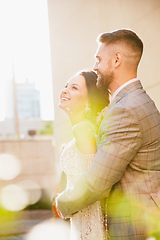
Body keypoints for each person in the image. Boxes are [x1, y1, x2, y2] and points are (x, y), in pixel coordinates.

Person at [56, 29, 160, 240]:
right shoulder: (133, 102)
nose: (95, 67)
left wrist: (60, 204)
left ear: (116, 60)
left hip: (134, 226)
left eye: (98, 59)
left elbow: (98, 183)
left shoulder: (126, 109)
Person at [54, 70, 110, 239]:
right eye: (66, 86)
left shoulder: (83, 129)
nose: (65, 90)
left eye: (74, 88)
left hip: (89, 226)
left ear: (88, 100)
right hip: (81, 222)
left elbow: (96, 186)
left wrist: (62, 201)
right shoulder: (83, 129)